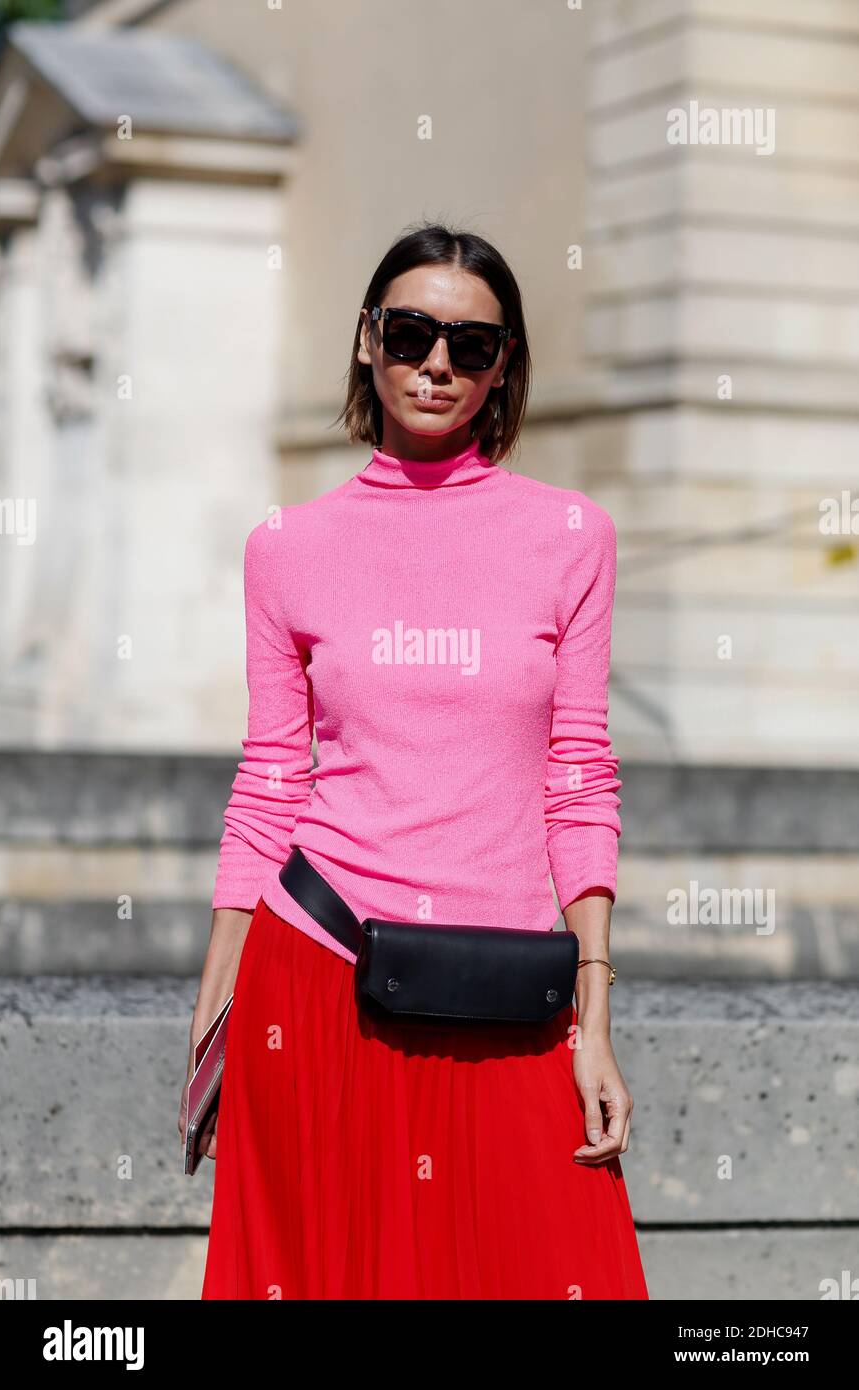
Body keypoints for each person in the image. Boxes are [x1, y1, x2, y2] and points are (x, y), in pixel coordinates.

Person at [185, 223, 649, 1300]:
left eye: (472, 345)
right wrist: (213, 1020)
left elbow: (577, 773)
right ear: (365, 342)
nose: (437, 363)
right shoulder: (286, 546)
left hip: (510, 993)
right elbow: (268, 783)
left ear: (504, 367)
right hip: (313, 979)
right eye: (409, 333)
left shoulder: (570, 536)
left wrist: (594, 1021)